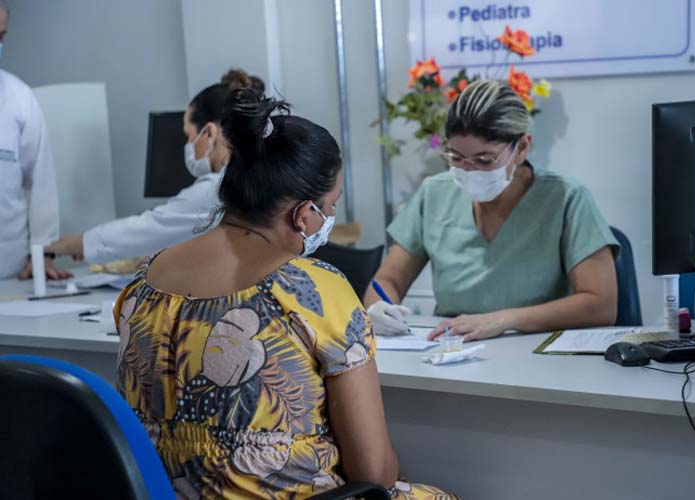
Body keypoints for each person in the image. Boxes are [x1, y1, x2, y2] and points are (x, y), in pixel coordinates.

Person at [115, 90, 457, 499]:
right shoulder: (313, 289)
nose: (329, 218)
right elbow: (373, 472)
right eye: (329, 207)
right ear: (302, 214)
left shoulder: (142, 282)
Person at [364, 80, 619, 342]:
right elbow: (388, 281)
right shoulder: (434, 195)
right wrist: (378, 310)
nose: (468, 170)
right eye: (455, 158)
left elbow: (601, 305)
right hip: (452, 352)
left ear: (521, 148)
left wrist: (505, 319)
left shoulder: (566, 198)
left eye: (485, 160)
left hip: (537, 354)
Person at [47, 69, 264, 264]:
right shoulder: (260, 174)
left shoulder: (218, 188)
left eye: (188, 136)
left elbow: (150, 228)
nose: (189, 146)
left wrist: (78, 243)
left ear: (208, 133)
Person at [0, 1, 70, 280]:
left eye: (1, 36)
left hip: (9, 270)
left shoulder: (19, 98)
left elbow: (40, 183)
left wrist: (43, 255)